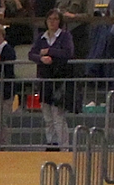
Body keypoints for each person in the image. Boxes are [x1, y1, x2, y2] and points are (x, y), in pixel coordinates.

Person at [28, 9, 73, 151]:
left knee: (58, 116)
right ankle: (51, 143)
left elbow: (68, 52)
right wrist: (41, 58)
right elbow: (31, 54)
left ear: (60, 21)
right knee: (47, 116)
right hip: (44, 79)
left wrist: (49, 51)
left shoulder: (65, 36)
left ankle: (64, 146)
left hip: (59, 80)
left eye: (55, 19)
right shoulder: (41, 37)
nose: (52, 22)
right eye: (50, 19)